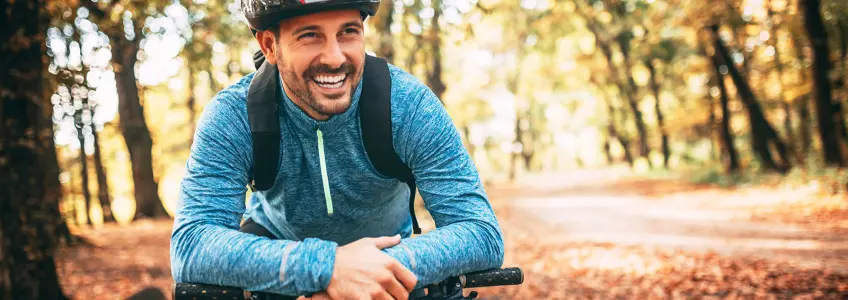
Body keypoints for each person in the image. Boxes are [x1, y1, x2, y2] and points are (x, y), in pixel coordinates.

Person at [169, 0, 504, 299]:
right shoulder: (233, 115)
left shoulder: (409, 105)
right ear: (270, 45)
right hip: (278, 252)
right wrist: (327, 268)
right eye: (310, 35)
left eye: (348, 32)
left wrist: (369, 273)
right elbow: (191, 244)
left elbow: (481, 232)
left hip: (388, 256)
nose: (334, 57)